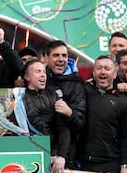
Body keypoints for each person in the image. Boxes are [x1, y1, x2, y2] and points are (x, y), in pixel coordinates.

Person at [77, 55, 127, 173]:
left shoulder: (125, 99)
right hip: (82, 164)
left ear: (115, 74)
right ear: (93, 72)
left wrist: (125, 166)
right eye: (99, 68)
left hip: (110, 165)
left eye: (107, 68)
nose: (102, 71)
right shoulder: (84, 90)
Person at [16, 59, 70, 173]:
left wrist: (61, 156)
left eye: (44, 72)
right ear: (27, 77)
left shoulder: (53, 96)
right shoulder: (17, 99)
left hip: (52, 158)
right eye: (38, 71)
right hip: (26, 158)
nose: (42, 75)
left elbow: (63, 128)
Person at [44, 40, 86, 168]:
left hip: (65, 157)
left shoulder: (76, 84)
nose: (61, 59)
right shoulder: (38, 77)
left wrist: (70, 113)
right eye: (56, 55)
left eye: (64, 55)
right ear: (47, 58)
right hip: (38, 149)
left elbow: (81, 124)